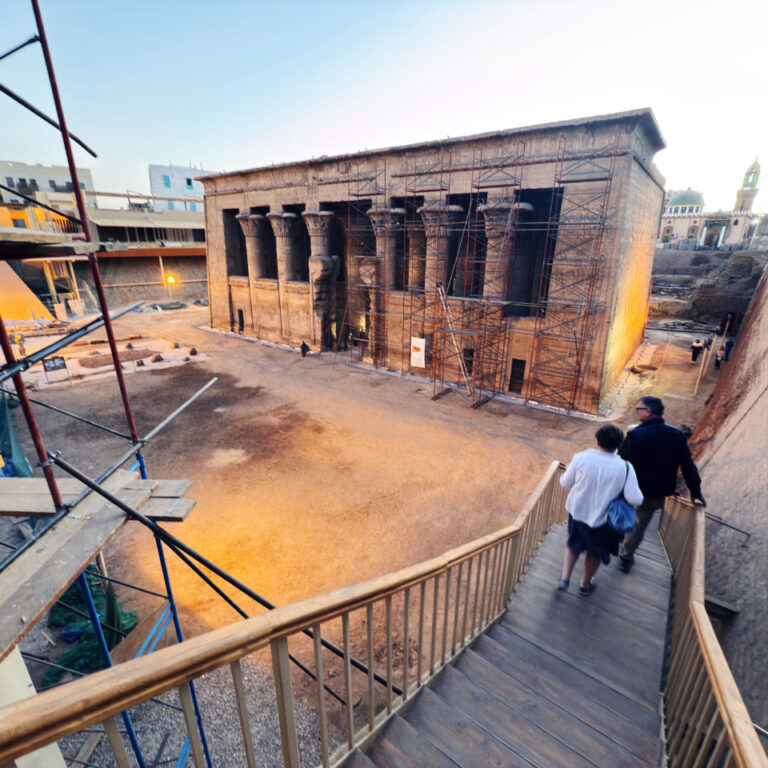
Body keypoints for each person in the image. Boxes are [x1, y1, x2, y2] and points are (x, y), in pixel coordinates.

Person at [618, 396, 705, 573]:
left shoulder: (635, 435)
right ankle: (626, 555)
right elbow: (688, 467)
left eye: (639, 409)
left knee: (624, 513)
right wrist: (695, 492)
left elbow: (621, 464)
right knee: (641, 524)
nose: (637, 411)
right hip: (655, 492)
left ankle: (617, 537)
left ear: (648, 412)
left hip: (630, 488)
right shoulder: (677, 437)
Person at [558, 425, 643, 596]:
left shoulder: (581, 458)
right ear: (619, 445)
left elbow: (565, 483)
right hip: (604, 520)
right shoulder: (625, 467)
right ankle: (585, 584)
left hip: (578, 512)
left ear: (597, 440)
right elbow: (636, 498)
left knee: (573, 543)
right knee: (595, 551)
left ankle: (565, 578)